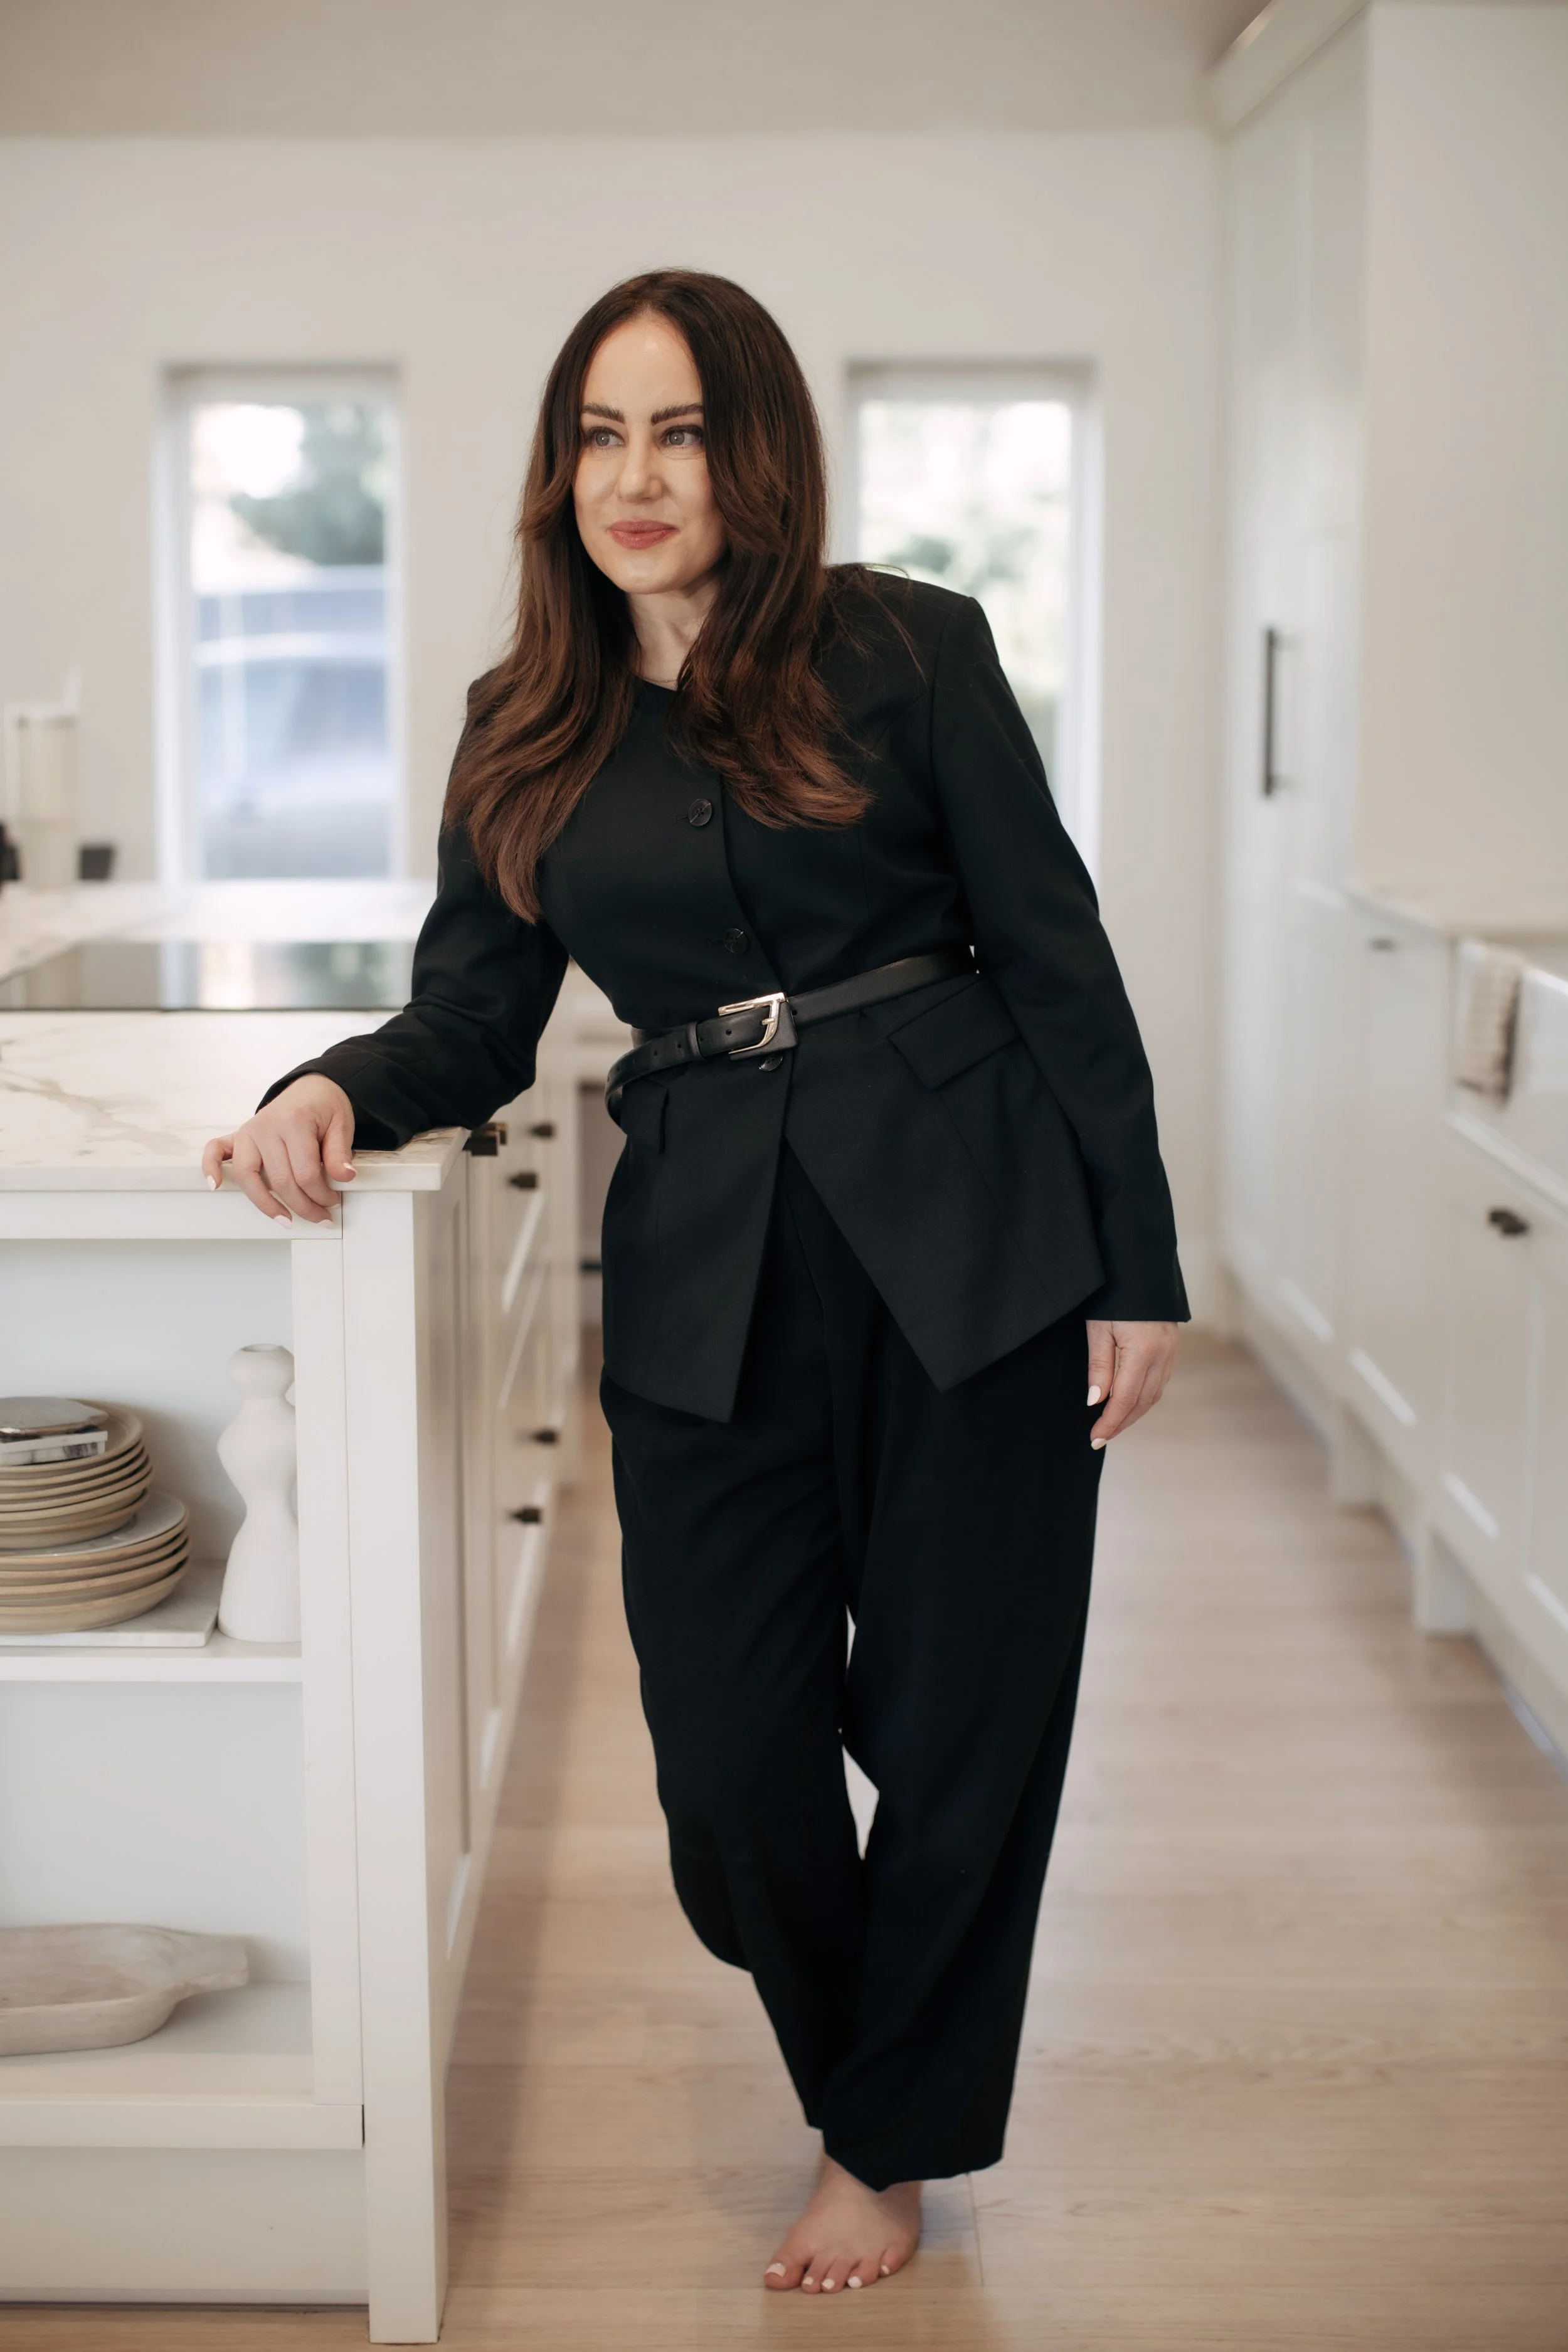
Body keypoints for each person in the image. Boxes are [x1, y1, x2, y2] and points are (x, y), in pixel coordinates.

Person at [204, 268, 1185, 2299]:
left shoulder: (910, 649)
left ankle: (881, 2140)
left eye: (674, 432)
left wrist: (1135, 1260)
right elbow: (470, 1020)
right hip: (704, 1257)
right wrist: (326, 1082)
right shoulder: (526, 725)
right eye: (596, 434)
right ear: (557, 468)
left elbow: (1056, 955)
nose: (632, 478)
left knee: (960, 1724)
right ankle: (878, 2071)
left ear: (754, 453)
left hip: (970, 1228)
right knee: (731, 1763)